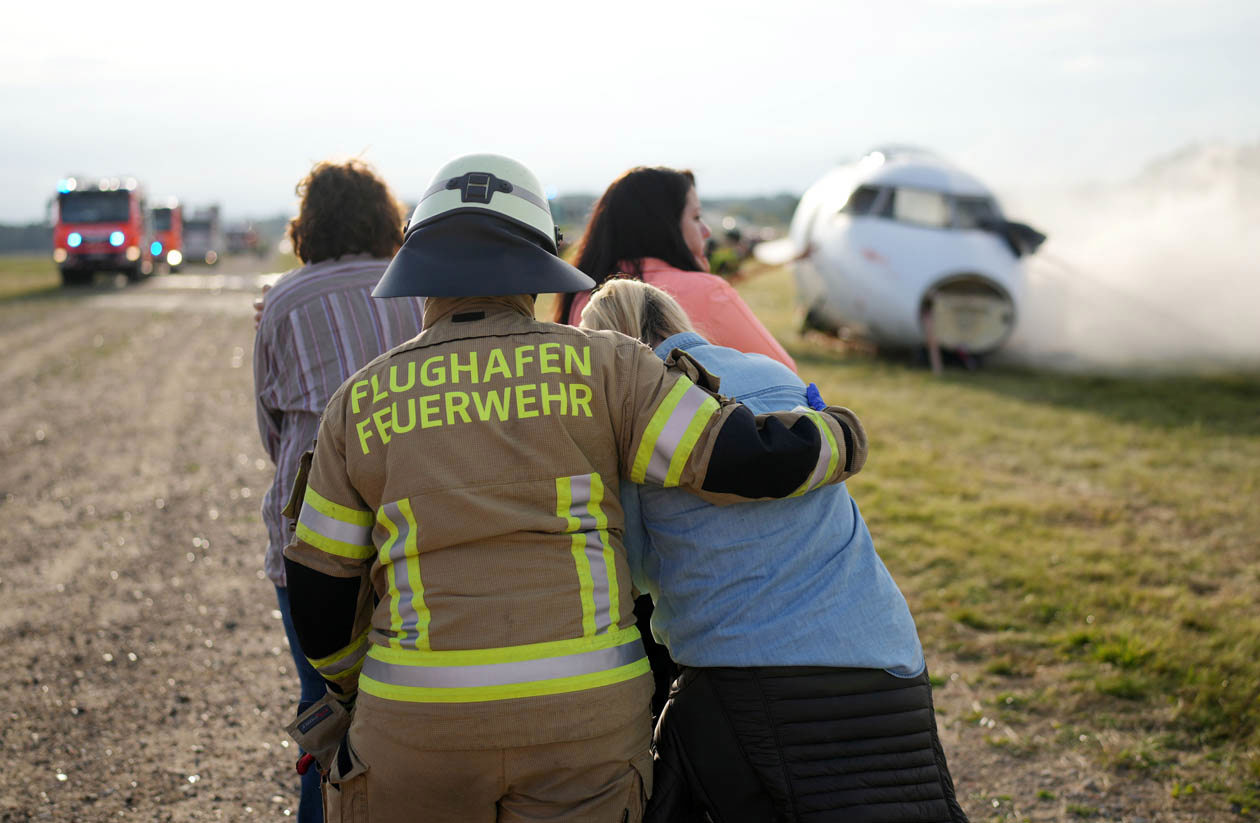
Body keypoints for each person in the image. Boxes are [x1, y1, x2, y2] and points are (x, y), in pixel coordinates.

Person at [281, 153, 868, 823]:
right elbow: (742, 458)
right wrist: (841, 435)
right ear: (538, 263)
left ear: (421, 272)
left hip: (417, 729)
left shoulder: (357, 404)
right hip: (584, 730)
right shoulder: (607, 367)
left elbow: (321, 600)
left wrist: (363, 684)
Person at [579, 279, 969, 823]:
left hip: (747, 670)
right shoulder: (772, 373)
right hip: (885, 657)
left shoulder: (636, 418)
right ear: (675, 319)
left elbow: (637, 570)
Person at [253, 158, 426, 823]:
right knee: (413, 698)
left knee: (324, 705)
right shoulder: (413, 289)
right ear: (386, 219)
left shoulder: (286, 300)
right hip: (407, 521)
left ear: (310, 223)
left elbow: (271, 430)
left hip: (308, 538)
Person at [555, 166, 796, 372]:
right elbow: (784, 374)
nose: (706, 231)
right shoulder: (707, 291)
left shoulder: (580, 297)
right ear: (663, 227)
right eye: (696, 218)